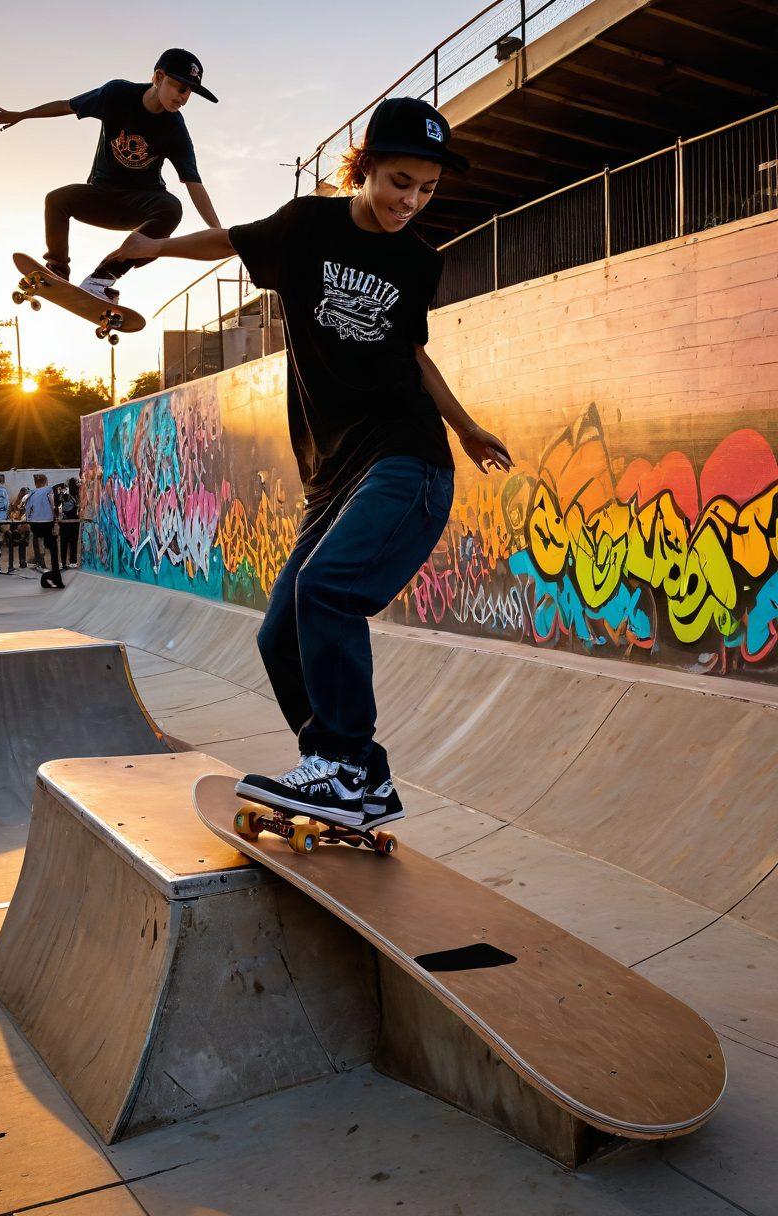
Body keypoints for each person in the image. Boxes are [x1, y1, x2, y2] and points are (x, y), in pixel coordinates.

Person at [108, 98, 511, 832]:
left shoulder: (420, 261)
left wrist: (467, 425)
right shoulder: (306, 227)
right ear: (362, 168)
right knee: (278, 634)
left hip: (405, 459)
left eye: (426, 189)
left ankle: (342, 762)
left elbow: (411, 354)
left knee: (327, 589)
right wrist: (153, 249)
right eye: (397, 181)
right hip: (332, 476)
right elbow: (229, 240)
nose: (409, 202)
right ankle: (359, 779)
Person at [0, 50, 221, 305]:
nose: (183, 98)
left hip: (141, 204)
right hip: (101, 196)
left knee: (172, 207)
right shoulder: (116, 94)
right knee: (56, 200)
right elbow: (67, 105)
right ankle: (57, 269)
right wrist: (22, 115)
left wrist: (219, 233)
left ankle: (102, 278)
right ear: (158, 76)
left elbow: (193, 183)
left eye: (189, 93)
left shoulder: (175, 130)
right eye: (179, 88)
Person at [25, 474, 64, 589]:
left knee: (40, 544)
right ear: (46, 481)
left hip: (35, 525)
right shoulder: (49, 490)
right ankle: (57, 578)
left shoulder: (31, 493)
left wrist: (30, 523)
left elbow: (28, 509)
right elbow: (53, 506)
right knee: (53, 550)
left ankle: (46, 571)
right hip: (47, 523)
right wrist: (56, 519)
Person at [4, 488, 31, 573]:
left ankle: (12, 565)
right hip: (21, 526)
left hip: (15, 526)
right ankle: (22, 562)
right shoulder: (25, 503)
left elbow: (8, 514)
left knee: (13, 546)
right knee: (22, 544)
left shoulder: (14, 502)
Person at [59, 477, 80, 569]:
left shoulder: (64, 494)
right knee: (73, 541)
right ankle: (73, 561)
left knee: (64, 542)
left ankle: (63, 562)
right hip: (75, 519)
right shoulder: (77, 494)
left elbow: (63, 507)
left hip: (65, 519)